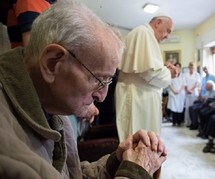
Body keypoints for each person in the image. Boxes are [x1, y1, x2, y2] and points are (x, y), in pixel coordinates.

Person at [0, 1, 167, 178]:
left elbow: (72, 174)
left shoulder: (53, 104)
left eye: (108, 81)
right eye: (98, 79)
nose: (102, 97)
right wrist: (135, 172)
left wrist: (117, 163)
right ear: (52, 63)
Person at [115, 12, 177, 142]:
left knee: (146, 142)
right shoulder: (144, 32)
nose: (167, 36)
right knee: (138, 143)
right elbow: (150, 72)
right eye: (168, 31)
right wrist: (169, 73)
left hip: (141, 97)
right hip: (138, 98)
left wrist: (164, 68)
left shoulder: (145, 34)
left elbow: (147, 67)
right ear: (158, 22)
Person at [184, 61, 202, 127]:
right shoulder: (186, 74)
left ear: (194, 68)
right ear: (189, 67)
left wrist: (191, 89)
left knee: (193, 107)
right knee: (187, 108)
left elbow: (197, 83)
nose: (191, 68)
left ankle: (194, 122)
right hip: (187, 93)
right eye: (190, 67)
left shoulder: (197, 74)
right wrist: (187, 90)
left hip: (194, 93)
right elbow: (184, 83)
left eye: (192, 67)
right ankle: (188, 122)